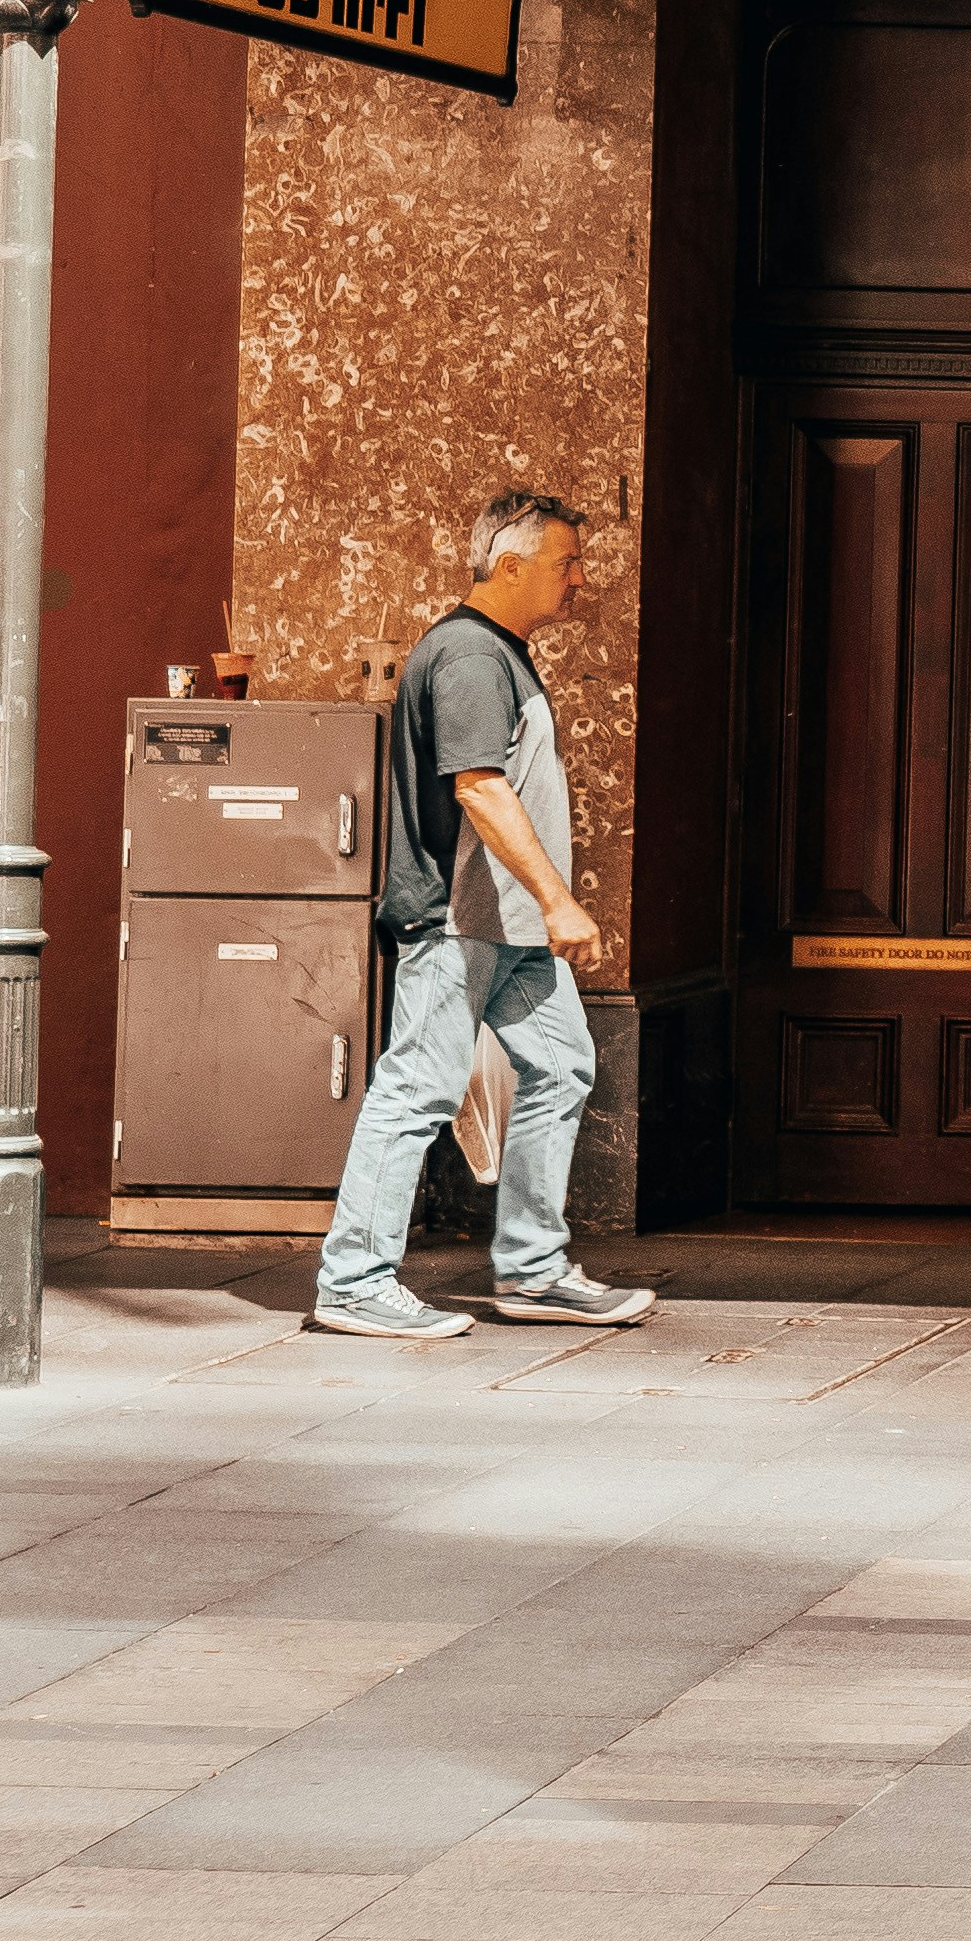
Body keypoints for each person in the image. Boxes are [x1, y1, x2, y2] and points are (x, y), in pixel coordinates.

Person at [310, 489, 657, 1339]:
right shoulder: (468, 655)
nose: (581, 578)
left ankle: (533, 1272)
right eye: (567, 561)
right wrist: (558, 898)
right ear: (510, 566)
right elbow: (480, 787)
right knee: (416, 1089)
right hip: (459, 921)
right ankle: (353, 1281)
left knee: (564, 1066)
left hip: (506, 929)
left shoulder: (500, 651)